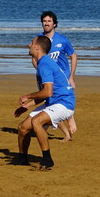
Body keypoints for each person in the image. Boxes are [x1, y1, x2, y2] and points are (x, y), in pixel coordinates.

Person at [13, 36, 76, 169]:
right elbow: (47, 94)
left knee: (36, 121)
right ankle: (22, 159)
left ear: (37, 48)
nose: (29, 45)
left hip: (64, 103)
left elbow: (47, 92)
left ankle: (47, 159)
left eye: (31, 43)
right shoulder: (44, 62)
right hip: (53, 102)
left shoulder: (45, 64)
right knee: (23, 128)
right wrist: (28, 105)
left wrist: (27, 96)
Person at [40, 11, 79, 140]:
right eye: (44, 21)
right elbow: (35, 58)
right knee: (50, 104)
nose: (46, 23)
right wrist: (40, 71)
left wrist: (71, 77)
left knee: (61, 103)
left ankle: (70, 119)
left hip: (63, 79)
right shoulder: (39, 40)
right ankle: (64, 132)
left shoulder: (62, 40)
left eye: (49, 21)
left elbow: (73, 56)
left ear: (54, 24)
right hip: (48, 79)